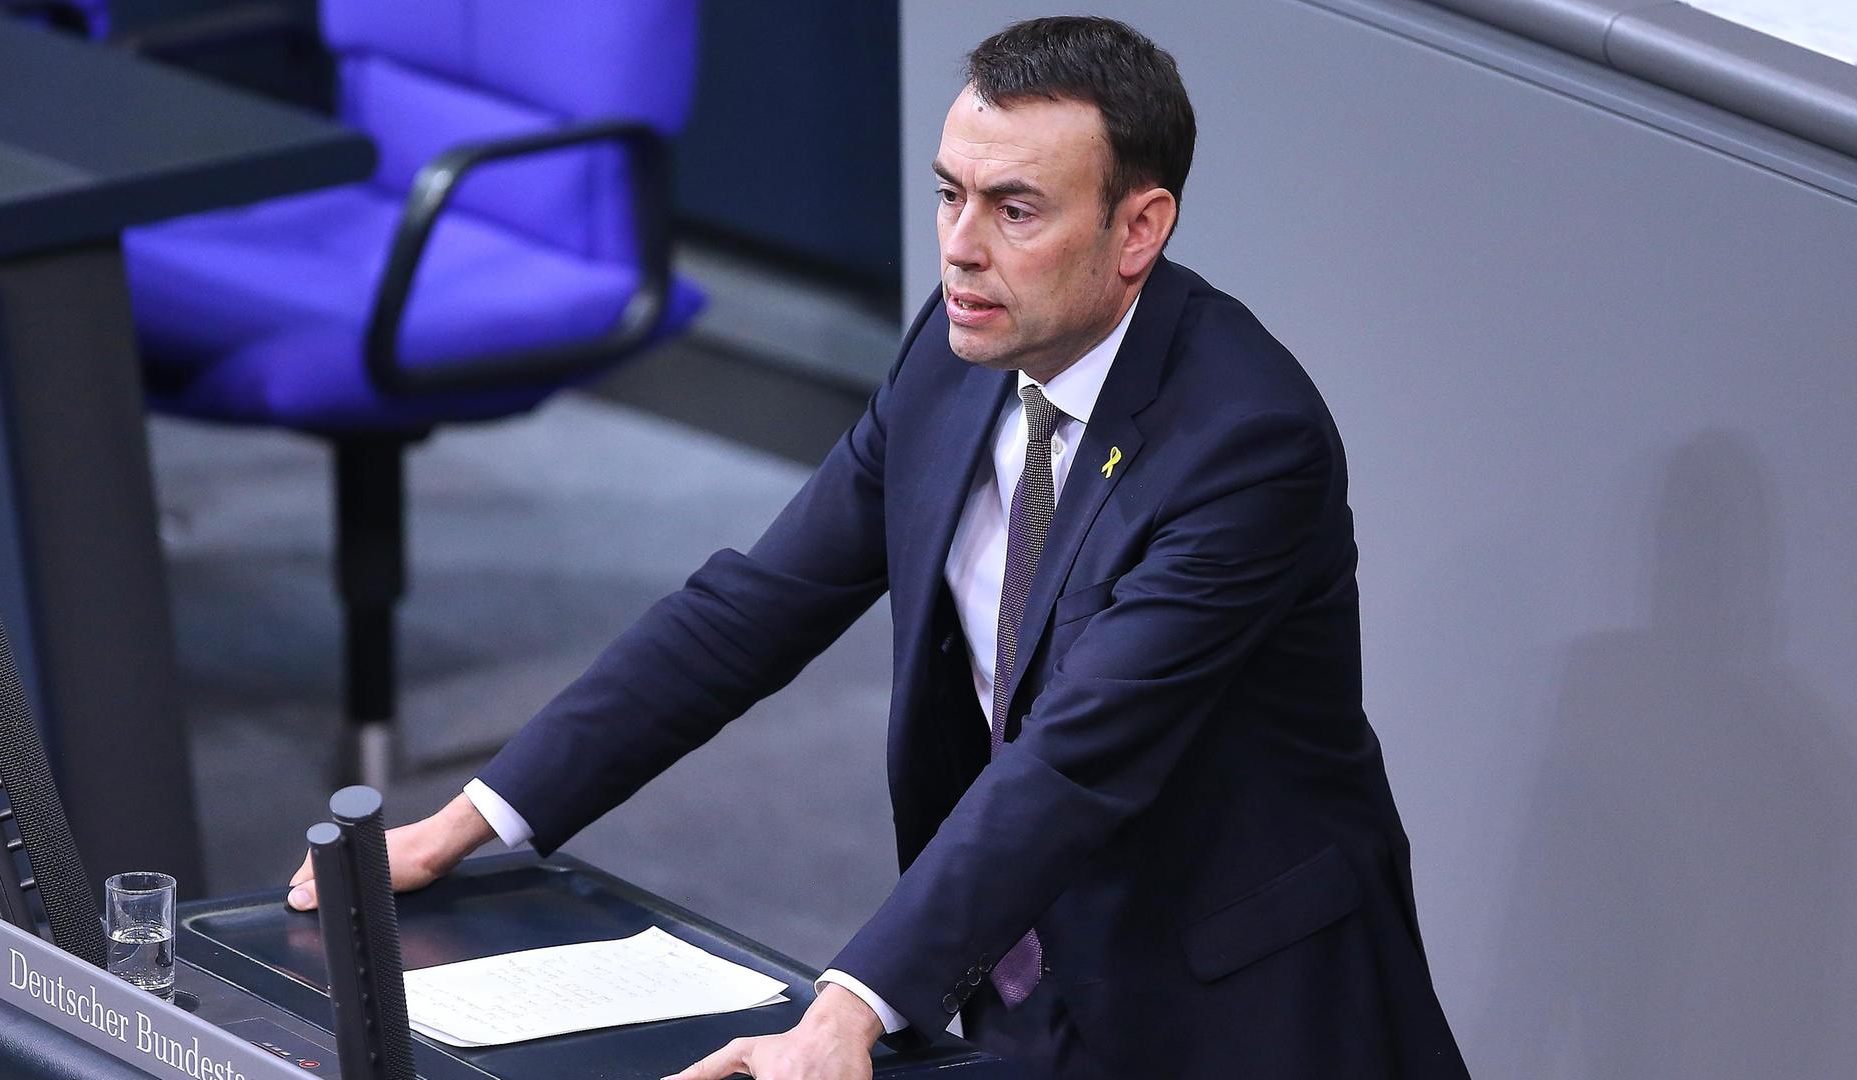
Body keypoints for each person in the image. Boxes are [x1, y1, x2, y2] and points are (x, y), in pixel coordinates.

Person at [287, 16, 1468, 1079]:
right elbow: (752, 610)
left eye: (1014, 209)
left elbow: (1077, 760)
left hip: (1237, 1006)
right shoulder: (958, 357)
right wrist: (474, 819)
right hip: (1018, 963)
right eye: (949, 193)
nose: (959, 246)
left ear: (1137, 229)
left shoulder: (1243, 445)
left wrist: (854, 1001)